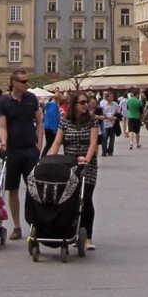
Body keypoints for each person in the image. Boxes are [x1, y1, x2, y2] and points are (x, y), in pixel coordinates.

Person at [49, 90, 99, 250]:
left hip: (87, 164)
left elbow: (93, 143)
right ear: (74, 105)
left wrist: (87, 159)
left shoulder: (92, 120)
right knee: (70, 197)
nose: (87, 105)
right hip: (70, 163)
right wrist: (51, 158)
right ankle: (70, 230)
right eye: (83, 102)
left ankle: (88, 236)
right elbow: (57, 142)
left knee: (86, 197)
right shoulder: (65, 121)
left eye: (87, 102)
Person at [0, 70, 43, 241]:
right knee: (13, 189)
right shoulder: (4, 101)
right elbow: (3, 126)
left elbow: (39, 122)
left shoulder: (31, 99)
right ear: (14, 83)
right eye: (23, 82)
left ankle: (34, 224)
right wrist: (3, 143)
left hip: (30, 149)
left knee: (33, 188)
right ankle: (16, 226)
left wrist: (39, 145)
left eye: (27, 81)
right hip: (13, 150)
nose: (27, 84)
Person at [100, 90, 119, 156]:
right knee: (105, 137)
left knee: (112, 138)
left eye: (112, 97)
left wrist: (116, 117)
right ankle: (104, 151)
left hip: (113, 123)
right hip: (105, 123)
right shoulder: (103, 104)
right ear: (107, 98)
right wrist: (108, 117)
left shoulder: (115, 104)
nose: (112, 98)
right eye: (111, 97)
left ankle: (110, 151)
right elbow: (102, 113)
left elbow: (118, 112)